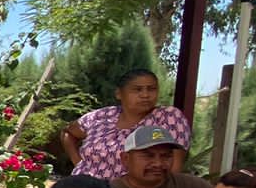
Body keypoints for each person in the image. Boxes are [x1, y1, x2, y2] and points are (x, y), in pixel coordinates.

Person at [62, 68, 191, 179]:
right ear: (119, 94)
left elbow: (174, 168)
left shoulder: (168, 117)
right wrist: (78, 163)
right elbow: (68, 132)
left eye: (151, 89)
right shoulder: (102, 116)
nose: (145, 95)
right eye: (137, 90)